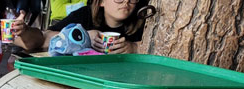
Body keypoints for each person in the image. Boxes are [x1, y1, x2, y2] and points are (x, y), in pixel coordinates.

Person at [17, 0, 150, 53]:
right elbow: (45, 38)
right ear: (102, 2)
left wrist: (135, 48)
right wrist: (83, 36)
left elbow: (163, 51)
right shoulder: (84, 15)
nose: (126, 2)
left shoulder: (143, 23)